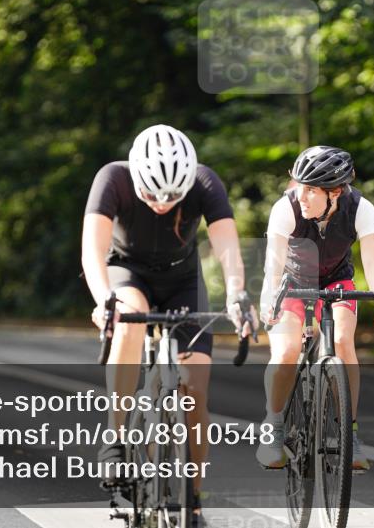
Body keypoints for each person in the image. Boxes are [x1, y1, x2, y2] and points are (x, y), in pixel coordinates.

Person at [83, 124, 253, 526]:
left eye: (172, 196)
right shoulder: (113, 178)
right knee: (130, 318)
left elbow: (228, 248)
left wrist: (236, 294)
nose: (161, 204)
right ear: (136, 179)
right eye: (151, 195)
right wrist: (104, 299)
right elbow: (92, 250)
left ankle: (193, 497)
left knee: (195, 388)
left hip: (182, 279)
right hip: (128, 272)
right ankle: (116, 439)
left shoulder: (205, 181)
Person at [256, 146, 374, 471]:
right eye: (300, 186)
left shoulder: (361, 209)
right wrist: (269, 301)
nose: (302, 195)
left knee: (341, 342)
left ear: (335, 192)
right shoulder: (286, 208)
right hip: (293, 282)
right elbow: (274, 266)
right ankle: (274, 426)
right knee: (286, 351)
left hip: (338, 281)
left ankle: (349, 434)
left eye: (311, 189)